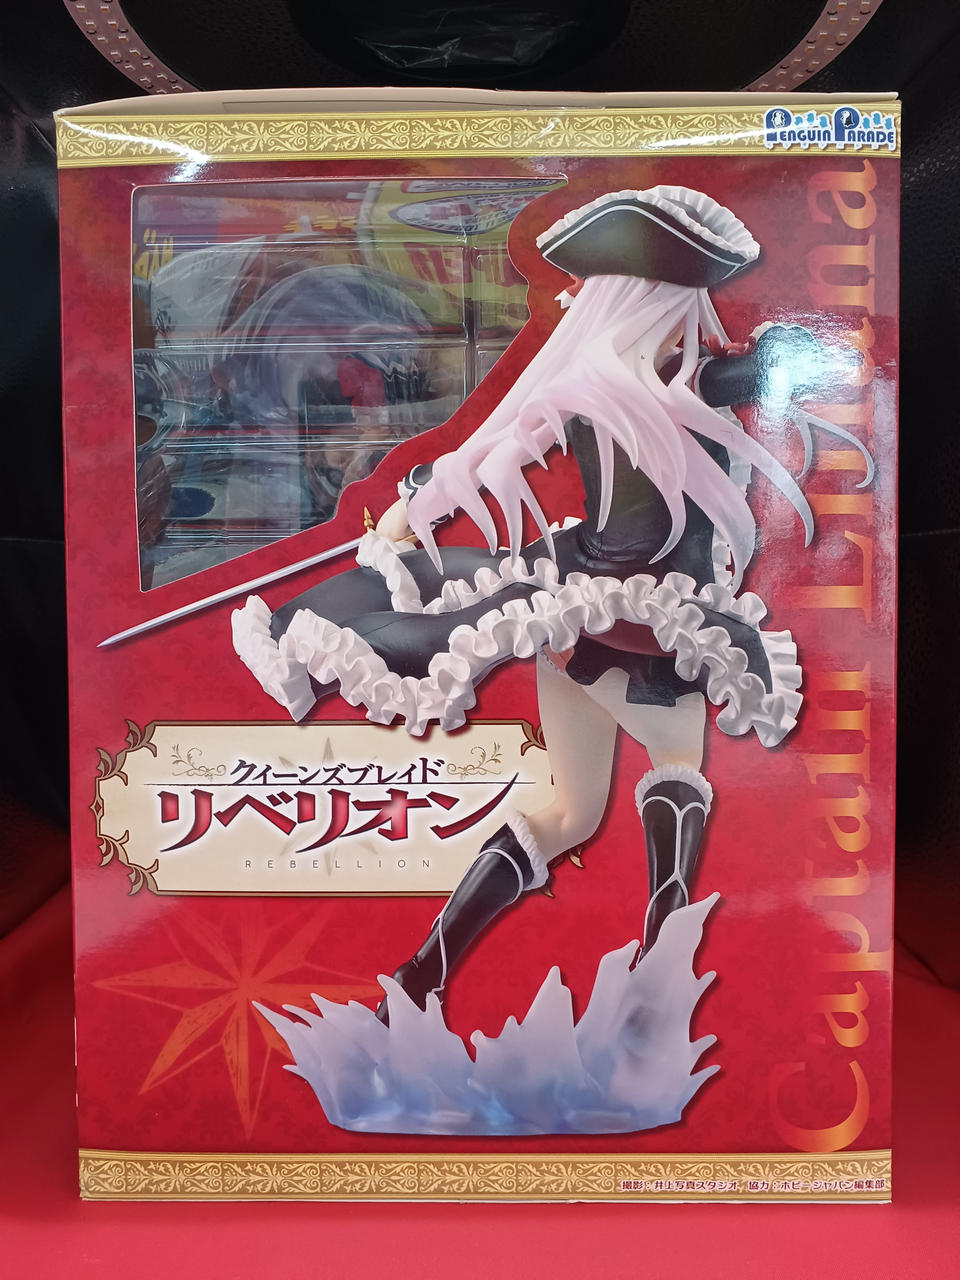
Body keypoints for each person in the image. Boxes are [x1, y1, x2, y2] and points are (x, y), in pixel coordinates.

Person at [233, 185, 872, 1021]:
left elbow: (480, 453)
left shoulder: (582, 388)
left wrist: (408, 508)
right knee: (676, 767)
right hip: (644, 616)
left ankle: (422, 975)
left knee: (571, 810)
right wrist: (789, 345)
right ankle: (658, 971)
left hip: (567, 608)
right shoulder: (689, 380)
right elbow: (796, 364)